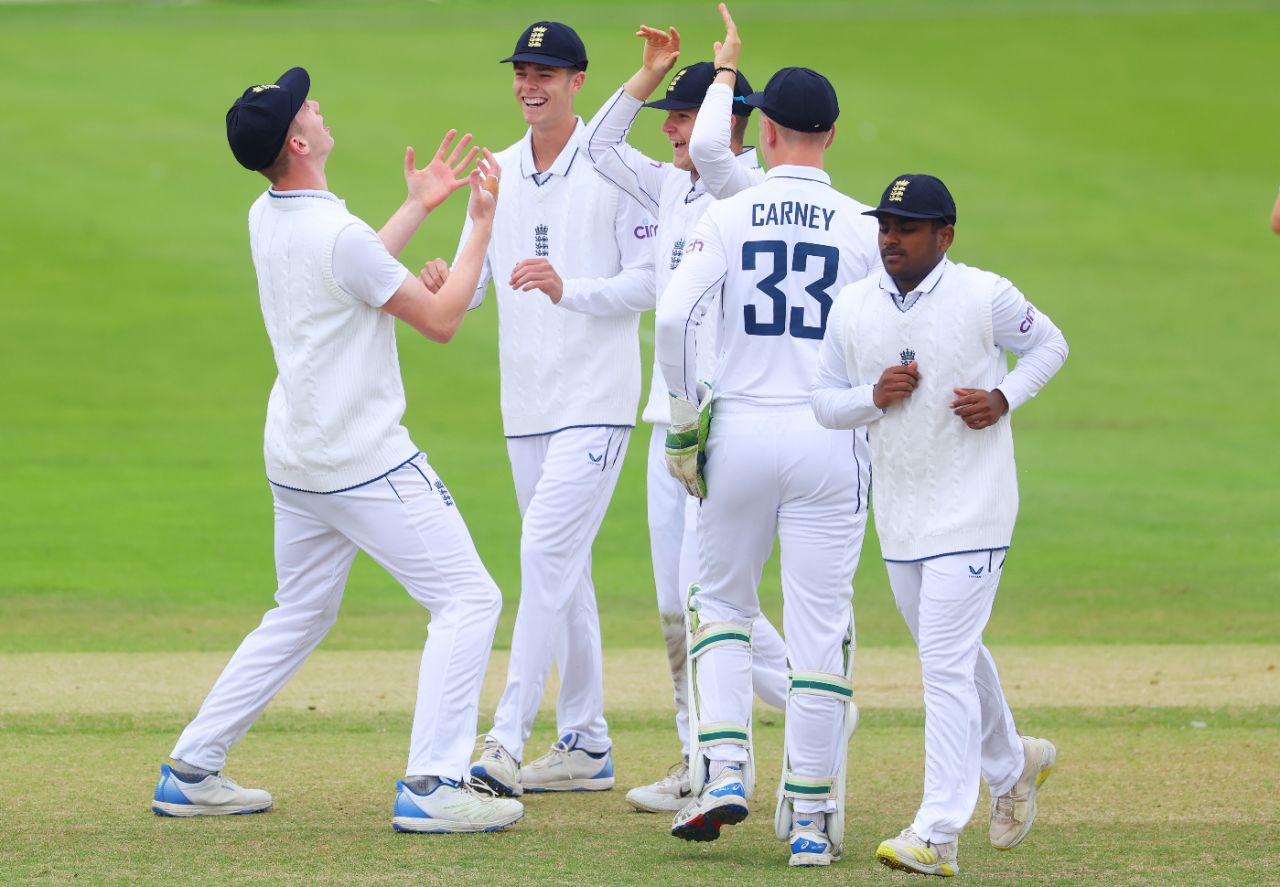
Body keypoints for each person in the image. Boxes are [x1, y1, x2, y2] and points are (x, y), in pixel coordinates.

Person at [151, 66, 523, 834]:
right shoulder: (338, 234)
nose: (317, 106)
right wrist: (479, 224)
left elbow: (348, 276)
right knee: (469, 597)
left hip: (296, 460)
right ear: (298, 138)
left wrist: (418, 206)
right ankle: (432, 782)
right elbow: (443, 318)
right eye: (306, 106)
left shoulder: (269, 212)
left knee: (300, 611)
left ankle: (192, 766)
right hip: (365, 460)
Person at [810, 174, 1067, 877]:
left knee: (944, 663)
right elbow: (821, 400)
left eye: (908, 226)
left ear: (944, 236)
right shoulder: (854, 306)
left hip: (975, 507)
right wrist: (872, 395)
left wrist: (1004, 395)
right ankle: (1015, 763)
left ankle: (937, 830)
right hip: (901, 514)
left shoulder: (985, 294)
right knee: (953, 652)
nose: (890, 237)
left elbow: (1050, 344)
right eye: (885, 224)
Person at [654, 67, 879, 866]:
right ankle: (813, 820)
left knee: (719, 602)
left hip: (741, 427)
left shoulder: (730, 210)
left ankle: (724, 770)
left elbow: (677, 313)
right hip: (829, 435)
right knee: (821, 628)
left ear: (769, 131)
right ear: (831, 136)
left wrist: (685, 420)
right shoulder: (861, 223)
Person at [580, 4, 788, 814]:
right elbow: (598, 145)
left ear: (734, 122)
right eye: (670, 117)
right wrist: (650, 75)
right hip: (666, 420)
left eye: (685, 116)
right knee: (677, 602)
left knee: (712, 602)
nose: (672, 131)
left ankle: (816, 698)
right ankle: (697, 754)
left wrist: (722, 70)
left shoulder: (755, 195)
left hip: (725, 423)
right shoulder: (669, 186)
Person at [456, 22, 655, 799]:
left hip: (597, 402)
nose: (529, 84)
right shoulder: (497, 171)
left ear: (578, 81)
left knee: (542, 554)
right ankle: (586, 742)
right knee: (561, 571)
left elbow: (650, 279)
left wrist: (573, 289)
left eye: (545, 72)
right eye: (521, 72)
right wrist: (444, 275)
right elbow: (477, 281)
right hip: (526, 405)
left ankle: (505, 738)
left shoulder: (616, 166)